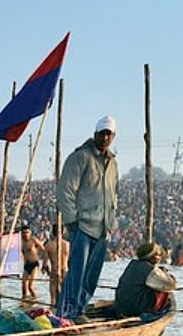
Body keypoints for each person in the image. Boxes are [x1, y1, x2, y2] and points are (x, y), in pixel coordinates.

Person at [56, 116, 118, 321]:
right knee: (77, 273)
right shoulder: (80, 157)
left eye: (109, 134)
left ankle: (80, 310)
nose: (105, 138)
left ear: (113, 136)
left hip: (103, 227)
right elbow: (65, 191)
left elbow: (114, 194)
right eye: (102, 133)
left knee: (92, 275)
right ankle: (67, 313)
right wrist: (72, 221)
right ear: (95, 134)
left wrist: (112, 222)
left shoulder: (112, 162)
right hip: (82, 225)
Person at [113, 242, 177, 318]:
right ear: (151, 256)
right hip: (135, 308)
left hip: (122, 307)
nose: (159, 258)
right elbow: (171, 284)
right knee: (169, 295)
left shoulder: (133, 264)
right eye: (157, 255)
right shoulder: (148, 269)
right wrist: (167, 274)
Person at [45, 218, 69, 308]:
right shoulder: (67, 244)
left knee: (53, 298)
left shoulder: (48, 245)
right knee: (65, 296)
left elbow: (45, 264)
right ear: (63, 232)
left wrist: (47, 271)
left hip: (54, 271)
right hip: (65, 270)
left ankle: (53, 310)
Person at [19, 224, 41, 300]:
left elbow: (43, 249)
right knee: (24, 286)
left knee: (30, 286)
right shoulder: (20, 242)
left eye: (27, 232)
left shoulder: (33, 240)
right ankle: (25, 302)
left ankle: (36, 300)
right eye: (23, 233)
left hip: (34, 264)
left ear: (30, 233)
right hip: (27, 265)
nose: (25, 235)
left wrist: (39, 256)